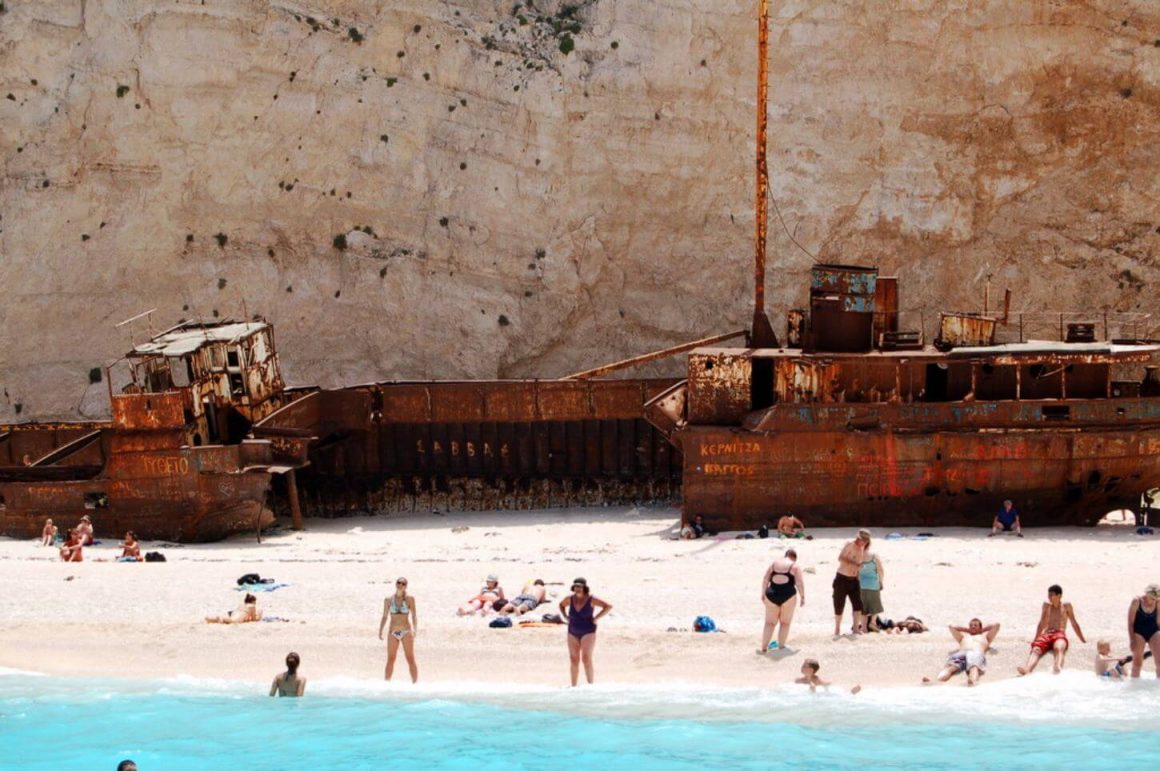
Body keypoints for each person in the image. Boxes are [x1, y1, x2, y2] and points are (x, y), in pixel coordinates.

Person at [1018, 584, 1086, 675]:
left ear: (1059, 595)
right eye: (1048, 595)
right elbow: (1041, 623)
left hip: (1059, 633)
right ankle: (1027, 668)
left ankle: (1057, 666)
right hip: (1047, 633)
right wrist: (1035, 638)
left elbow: (1074, 623)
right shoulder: (1046, 606)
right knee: (1036, 649)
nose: (1049, 597)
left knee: (1059, 648)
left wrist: (1082, 639)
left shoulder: (1066, 606)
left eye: (1051, 595)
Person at [560, 577, 612, 686]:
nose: (577, 589)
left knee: (586, 658)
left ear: (584, 587)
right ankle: (574, 686)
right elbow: (561, 605)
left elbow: (608, 606)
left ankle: (590, 685)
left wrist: (596, 618)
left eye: (579, 586)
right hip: (572, 630)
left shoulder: (591, 599)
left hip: (588, 631)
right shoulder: (570, 598)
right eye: (575, 586)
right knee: (573, 659)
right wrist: (565, 616)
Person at [922, 618, 1000, 686]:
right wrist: (967, 630)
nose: (972, 626)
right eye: (971, 625)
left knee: (974, 667)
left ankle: (972, 681)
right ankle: (936, 681)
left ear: (980, 627)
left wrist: (981, 630)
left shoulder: (986, 638)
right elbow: (951, 627)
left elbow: (997, 625)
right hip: (961, 653)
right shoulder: (962, 638)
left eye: (975, 625)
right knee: (950, 668)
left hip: (976, 652)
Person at [758, 548, 804, 654]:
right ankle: (781, 646)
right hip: (788, 595)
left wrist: (763, 593)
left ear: (785, 555)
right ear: (794, 558)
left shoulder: (774, 563)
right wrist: (802, 596)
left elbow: (765, 579)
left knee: (769, 623)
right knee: (785, 623)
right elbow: (799, 583)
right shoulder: (795, 566)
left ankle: (764, 647)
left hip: (771, 594)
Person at [378, 577, 418, 682]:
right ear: (396, 584)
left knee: (410, 658)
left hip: (406, 631)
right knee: (391, 659)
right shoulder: (388, 600)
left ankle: (415, 684)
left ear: (406, 586)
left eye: (403, 584)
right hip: (393, 631)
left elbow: (414, 615)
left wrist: (415, 629)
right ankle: (386, 683)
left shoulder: (410, 599)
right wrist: (380, 630)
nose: (400, 585)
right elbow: (385, 616)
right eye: (398, 583)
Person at [832, 529, 869, 636]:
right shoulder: (850, 545)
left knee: (858, 604)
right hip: (842, 578)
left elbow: (858, 563)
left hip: (854, 579)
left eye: (866, 541)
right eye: (864, 540)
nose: (865, 543)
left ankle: (856, 628)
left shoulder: (861, 548)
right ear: (859, 539)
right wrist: (855, 563)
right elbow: (841, 558)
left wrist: (858, 571)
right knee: (839, 604)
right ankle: (837, 628)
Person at [1127, 584, 1160, 678]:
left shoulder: (1158, 602)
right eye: (1152, 598)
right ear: (1146, 594)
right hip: (1139, 632)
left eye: (1156, 598)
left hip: (1153, 631)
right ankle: (1134, 684)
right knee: (1137, 663)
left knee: (1159, 661)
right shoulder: (1136, 601)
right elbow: (1130, 623)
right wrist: (1132, 640)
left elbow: (1158, 621)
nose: (1154, 600)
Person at [859, 539, 885, 630]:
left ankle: (864, 627)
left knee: (863, 608)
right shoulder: (874, 556)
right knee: (875, 605)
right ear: (869, 544)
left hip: (860, 585)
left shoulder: (857, 556)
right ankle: (873, 622)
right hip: (873, 584)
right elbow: (880, 570)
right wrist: (881, 581)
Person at [796, 659, 861, 694]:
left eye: (804, 666)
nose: (802, 668)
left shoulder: (816, 680)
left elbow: (826, 685)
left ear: (811, 670)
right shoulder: (798, 680)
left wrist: (813, 689)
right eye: (802, 666)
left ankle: (850, 693)